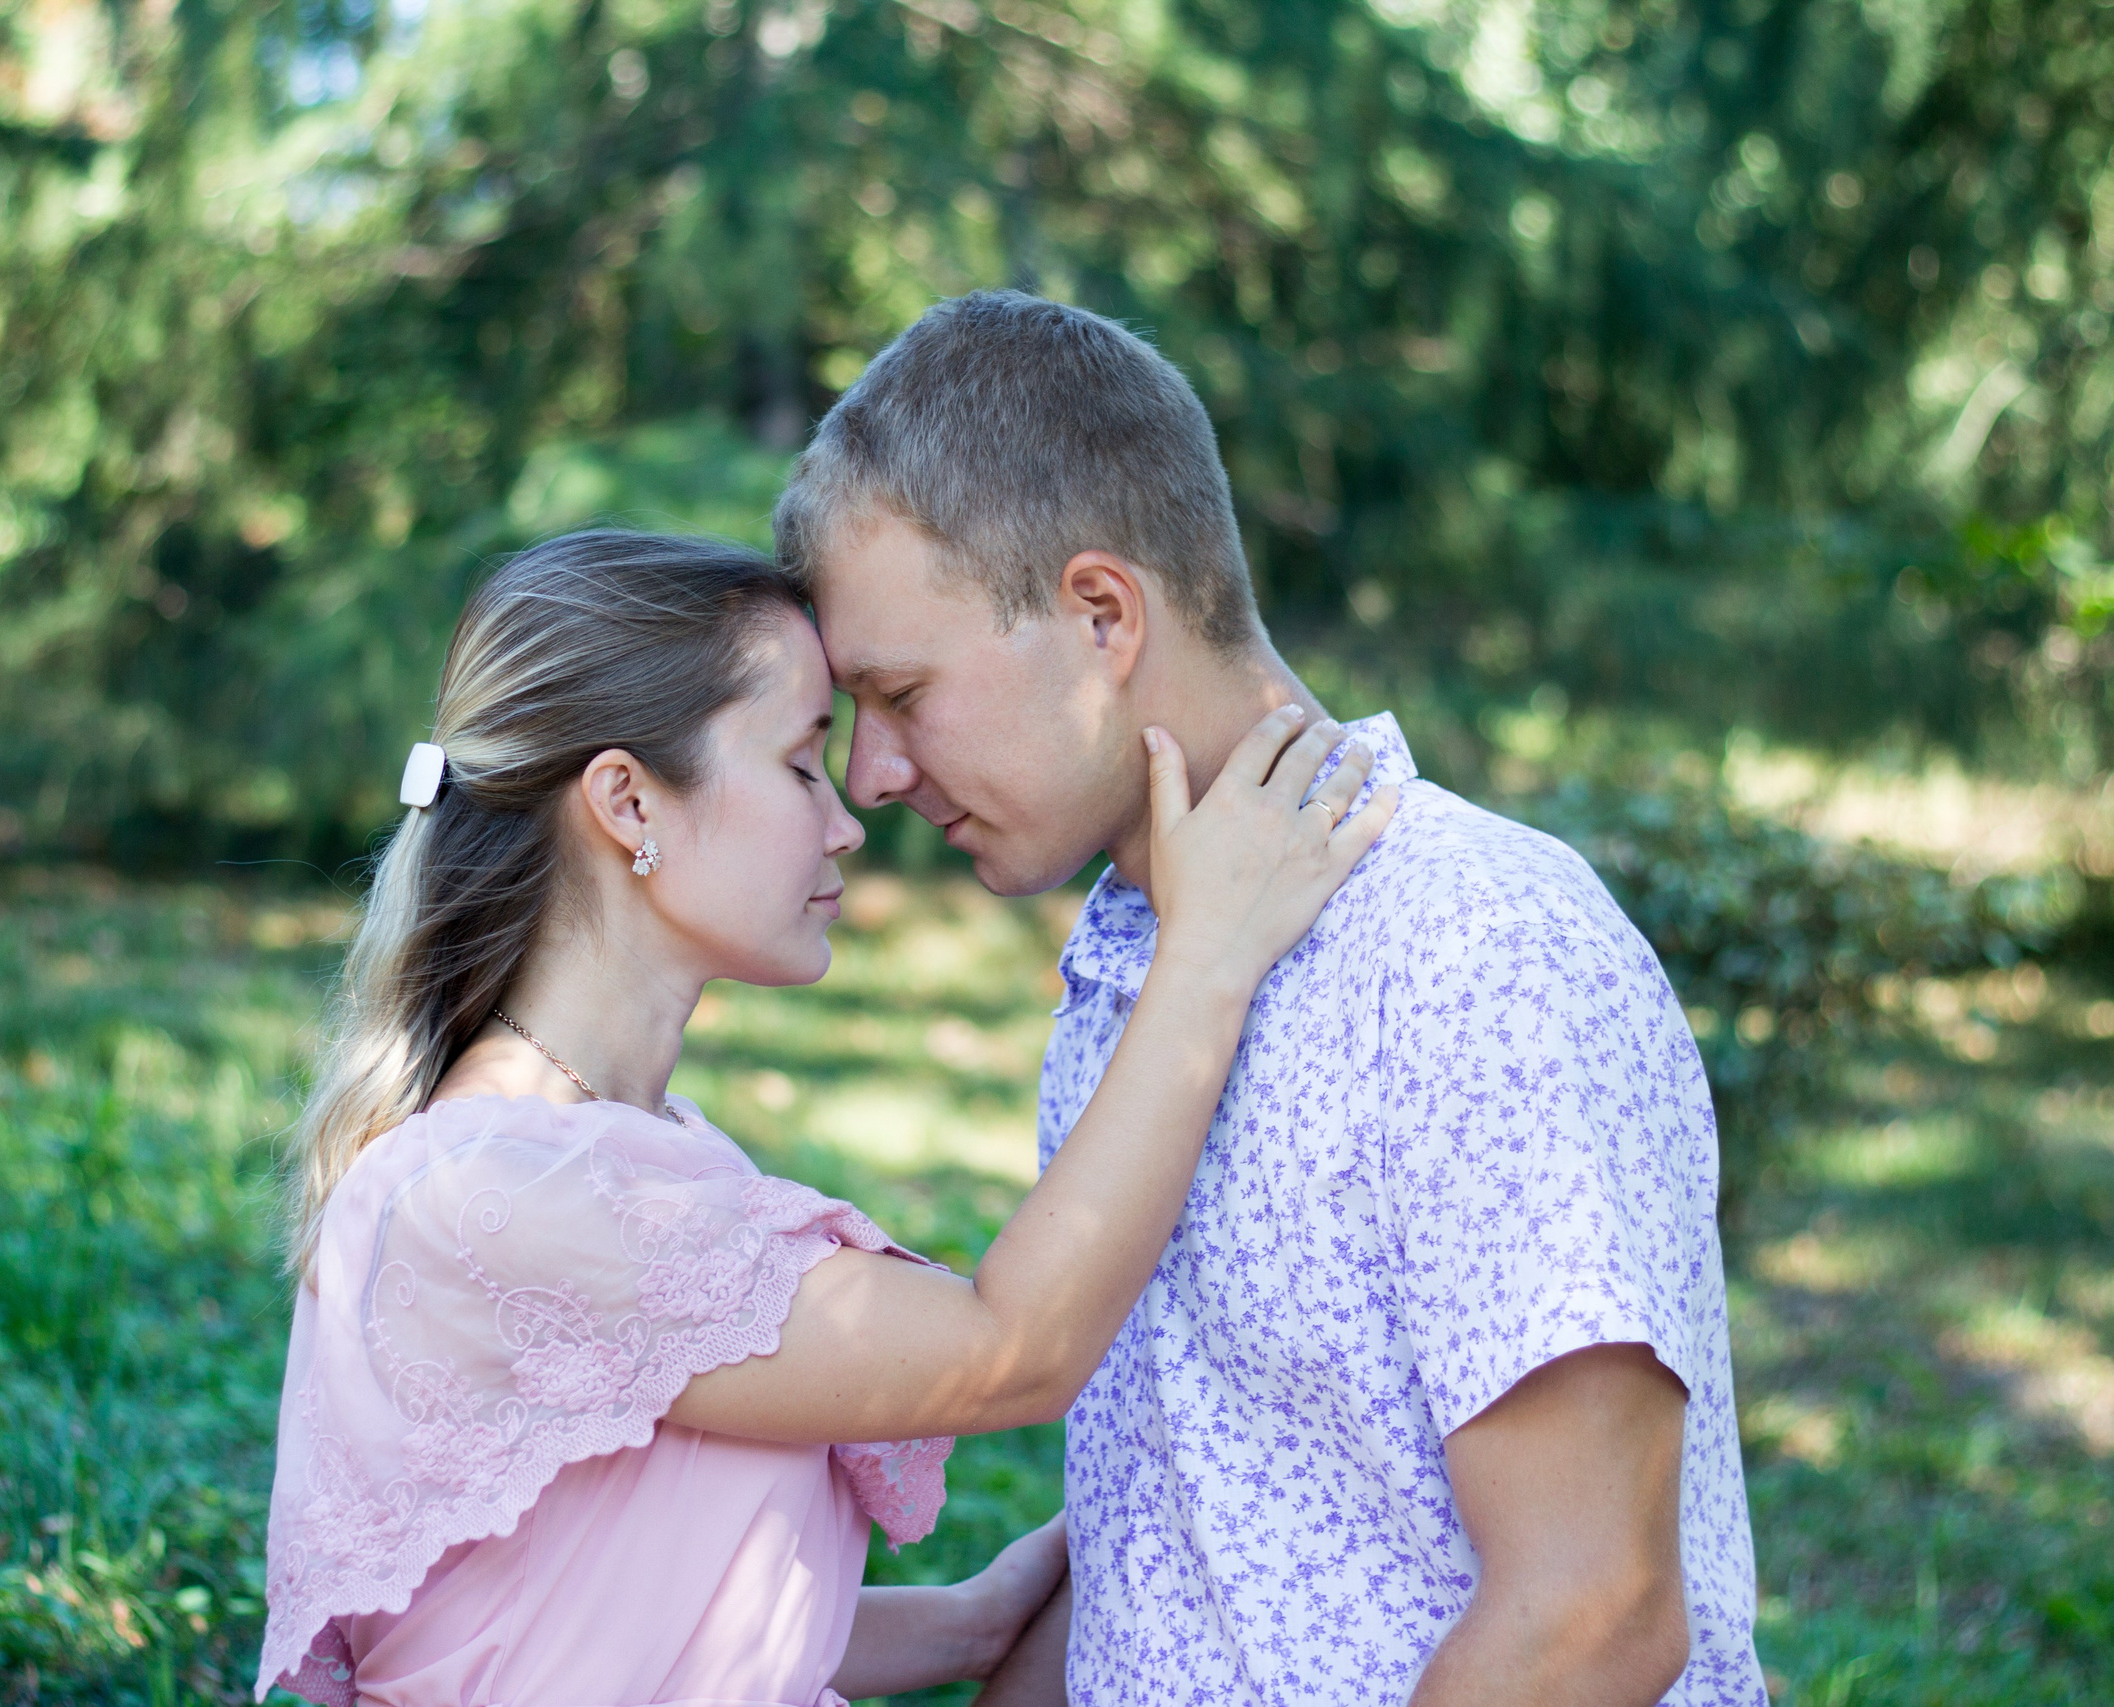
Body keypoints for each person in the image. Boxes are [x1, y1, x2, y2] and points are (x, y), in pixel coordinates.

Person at [777, 291, 1768, 1706]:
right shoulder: (1140, 960)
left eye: (904, 691)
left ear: (1101, 612)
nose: (871, 774)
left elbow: (1593, 1612)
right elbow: (1175, 1526)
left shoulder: (1476, 949)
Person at [253, 529, 1394, 1706]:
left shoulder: (636, 1155)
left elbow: (618, 1621)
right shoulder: (502, 1191)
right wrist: (1205, 956)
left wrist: (968, 1622)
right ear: (628, 799)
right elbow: (1008, 1354)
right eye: (801, 761)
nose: (848, 817)